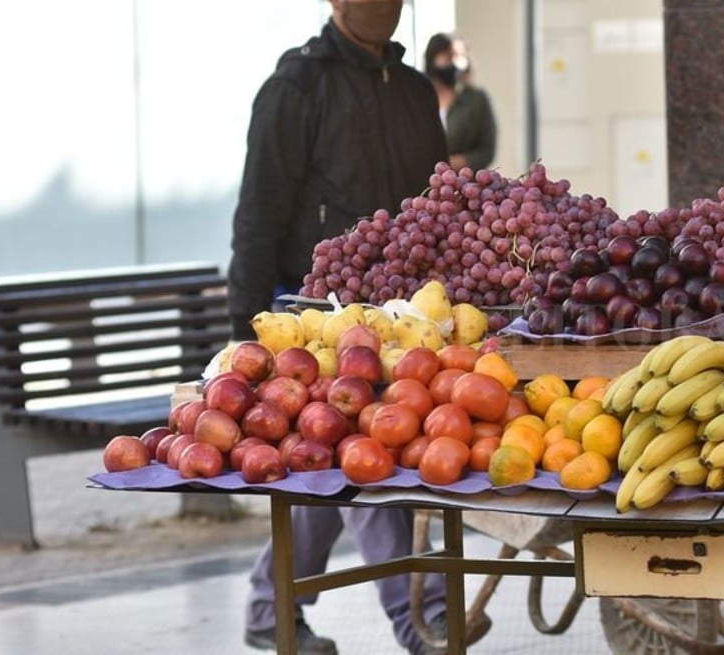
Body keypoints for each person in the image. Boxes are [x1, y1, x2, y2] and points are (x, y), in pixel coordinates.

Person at [227, 2, 462, 654]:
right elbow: (258, 213)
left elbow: (440, 209)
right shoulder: (295, 90)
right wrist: (244, 326)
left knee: (325, 462)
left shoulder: (416, 94)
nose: (383, 6)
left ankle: (270, 607)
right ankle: (423, 611)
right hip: (315, 324)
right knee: (370, 447)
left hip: (408, 319)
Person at [423, 33, 498, 171]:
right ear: (432, 59)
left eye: (459, 57)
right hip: (424, 184)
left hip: (465, 185)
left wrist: (453, 163)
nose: (454, 62)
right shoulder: (420, 99)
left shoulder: (477, 100)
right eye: (448, 56)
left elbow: (487, 151)